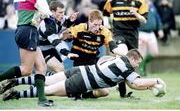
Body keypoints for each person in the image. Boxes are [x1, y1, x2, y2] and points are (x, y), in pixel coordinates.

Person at [2, 49, 167, 101]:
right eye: (137, 62)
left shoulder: (118, 60)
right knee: (48, 90)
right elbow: (136, 83)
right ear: (132, 58)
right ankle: (16, 94)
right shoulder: (126, 66)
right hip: (83, 81)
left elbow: (133, 84)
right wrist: (157, 80)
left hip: (80, 70)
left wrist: (150, 86)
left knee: (47, 79)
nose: (138, 65)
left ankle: (14, 81)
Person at [0, 0, 54, 107]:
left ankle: (42, 100)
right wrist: (51, 20)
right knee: (26, 70)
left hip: (24, 30)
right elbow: (46, 12)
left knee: (41, 67)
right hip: (29, 31)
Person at [103, 0, 148, 98]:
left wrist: (136, 14)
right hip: (119, 33)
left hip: (133, 35)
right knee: (122, 56)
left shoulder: (139, 0)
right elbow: (105, 13)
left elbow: (144, 20)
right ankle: (122, 92)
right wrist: (106, 25)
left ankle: (123, 90)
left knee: (131, 63)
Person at [138, 0, 164, 76]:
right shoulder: (139, 6)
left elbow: (157, 17)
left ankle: (143, 64)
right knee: (142, 53)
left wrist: (160, 29)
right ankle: (141, 70)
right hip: (142, 32)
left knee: (155, 53)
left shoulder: (152, 5)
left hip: (151, 33)